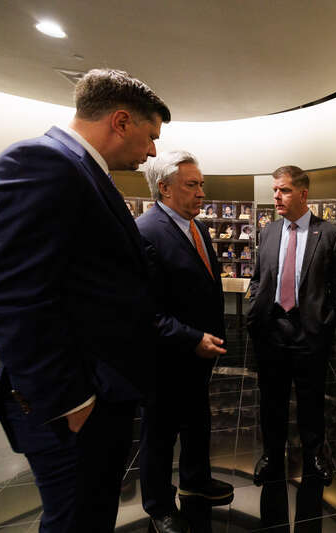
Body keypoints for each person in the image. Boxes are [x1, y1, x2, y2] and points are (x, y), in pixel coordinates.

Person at [0, 68, 170, 532]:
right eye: (151, 136)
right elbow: (9, 297)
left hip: (101, 393)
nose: (152, 152)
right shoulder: (41, 163)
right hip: (75, 405)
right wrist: (72, 402)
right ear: (121, 121)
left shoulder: (82, 171)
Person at [136, 151, 233, 532]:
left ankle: (195, 481)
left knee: (196, 420)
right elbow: (145, 310)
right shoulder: (146, 231)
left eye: (201, 184)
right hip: (165, 355)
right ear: (164, 188)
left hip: (198, 353)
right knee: (159, 432)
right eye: (192, 185)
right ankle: (159, 505)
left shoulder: (197, 227)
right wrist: (191, 338)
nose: (201, 193)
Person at [247, 165, 336, 487]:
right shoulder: (269, 232)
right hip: (272, 327)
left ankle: (314, 455)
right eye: (275, 190)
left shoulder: (329, 233)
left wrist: (328, 323)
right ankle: (271, 455)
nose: (277, 196)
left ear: (303, 194)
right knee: (271, 398)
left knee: (311, 398)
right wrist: (255, 311)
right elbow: (259, 277)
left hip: (310, 331)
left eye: (285, 190)